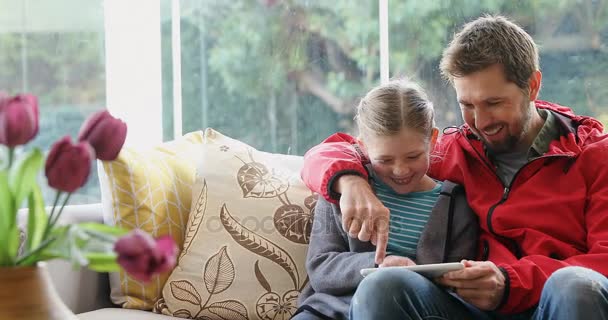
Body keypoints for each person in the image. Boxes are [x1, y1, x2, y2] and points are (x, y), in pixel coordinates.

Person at [300, 15, 608, 319]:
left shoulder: (595, 156)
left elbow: (604, 261)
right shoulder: (451, 151)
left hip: (551, 304)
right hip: (466, 309)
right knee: (384, 286)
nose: (482, 122)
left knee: (576, 285)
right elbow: (328, 151)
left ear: (533, 86)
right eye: (468, 106)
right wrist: (349, 180)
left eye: (494, 103)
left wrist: (510, 282)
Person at [293, 79, 478, 320]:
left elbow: (456, 286)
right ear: (364, 147)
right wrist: (380, 263)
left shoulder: (456, 204)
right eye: (385, 160)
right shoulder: (342, 191)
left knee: (385, 292)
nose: (400, 170)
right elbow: (321, 267)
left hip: (407, 308)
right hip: (331, 310)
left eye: (413, 156)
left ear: (432, 140)